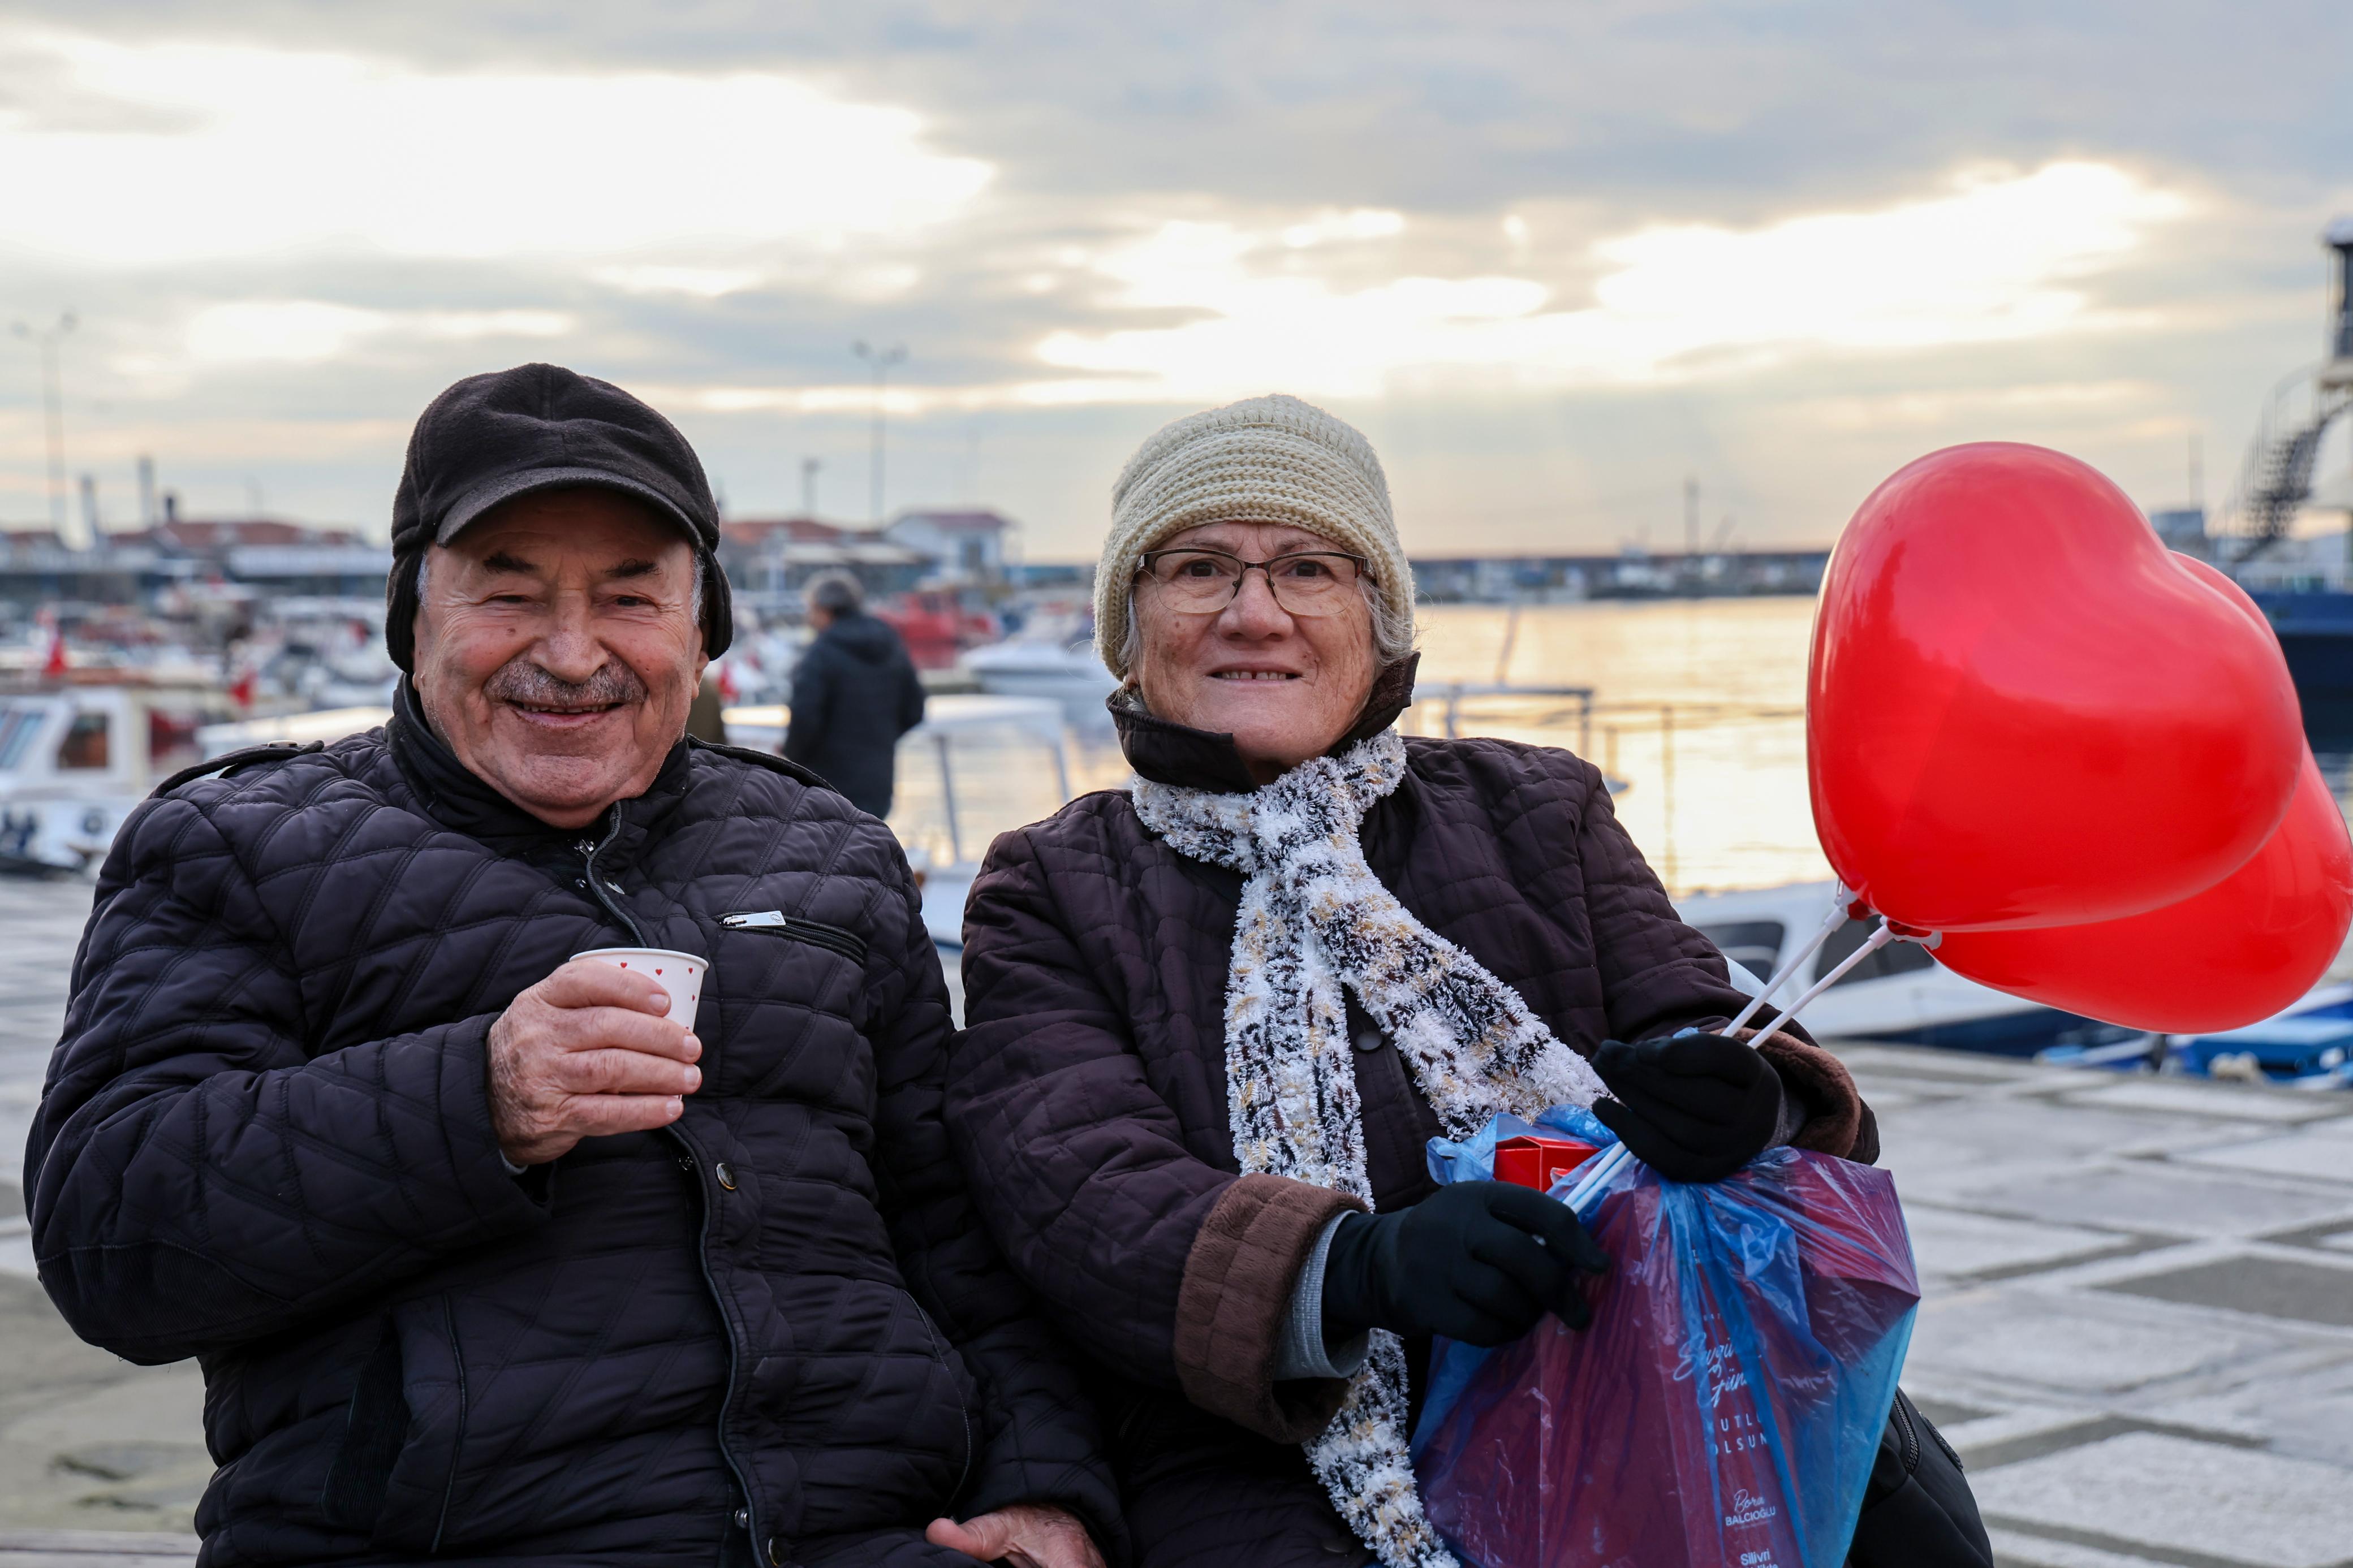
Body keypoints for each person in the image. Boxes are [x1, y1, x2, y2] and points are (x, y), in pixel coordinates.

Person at [27, 364, 1113, 1568]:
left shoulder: (835, 852)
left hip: (877, 1532)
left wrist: (1043, 1484)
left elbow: (958, 1226)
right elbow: (110, 1241)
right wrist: (475, 1099)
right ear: (414, 615)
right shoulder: (238, 845)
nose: (571, 650)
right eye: (509, 592)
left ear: (703, 631)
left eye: (630, 599)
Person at [946, 395, 1885, 1568]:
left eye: (1308, 568)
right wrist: (1355, 1268)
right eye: (1197, 569)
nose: (1255, 612)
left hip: (1627, 1363)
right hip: (1261, 1436)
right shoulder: (1050, 883)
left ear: (1379, 619)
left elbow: (1700, 1013)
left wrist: (1755, 1098)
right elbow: (1077, 1188)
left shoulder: (1540, 805)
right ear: (1128, 632)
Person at [783, 573, 926, 817]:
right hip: (878, 782)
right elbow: (915, 709)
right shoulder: (889, 641)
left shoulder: (821, 652)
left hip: (827, 784)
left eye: (812, 610)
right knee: (867, 848)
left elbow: (805, 718)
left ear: (824, 610)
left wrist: (791, 758)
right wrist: (880, 739)